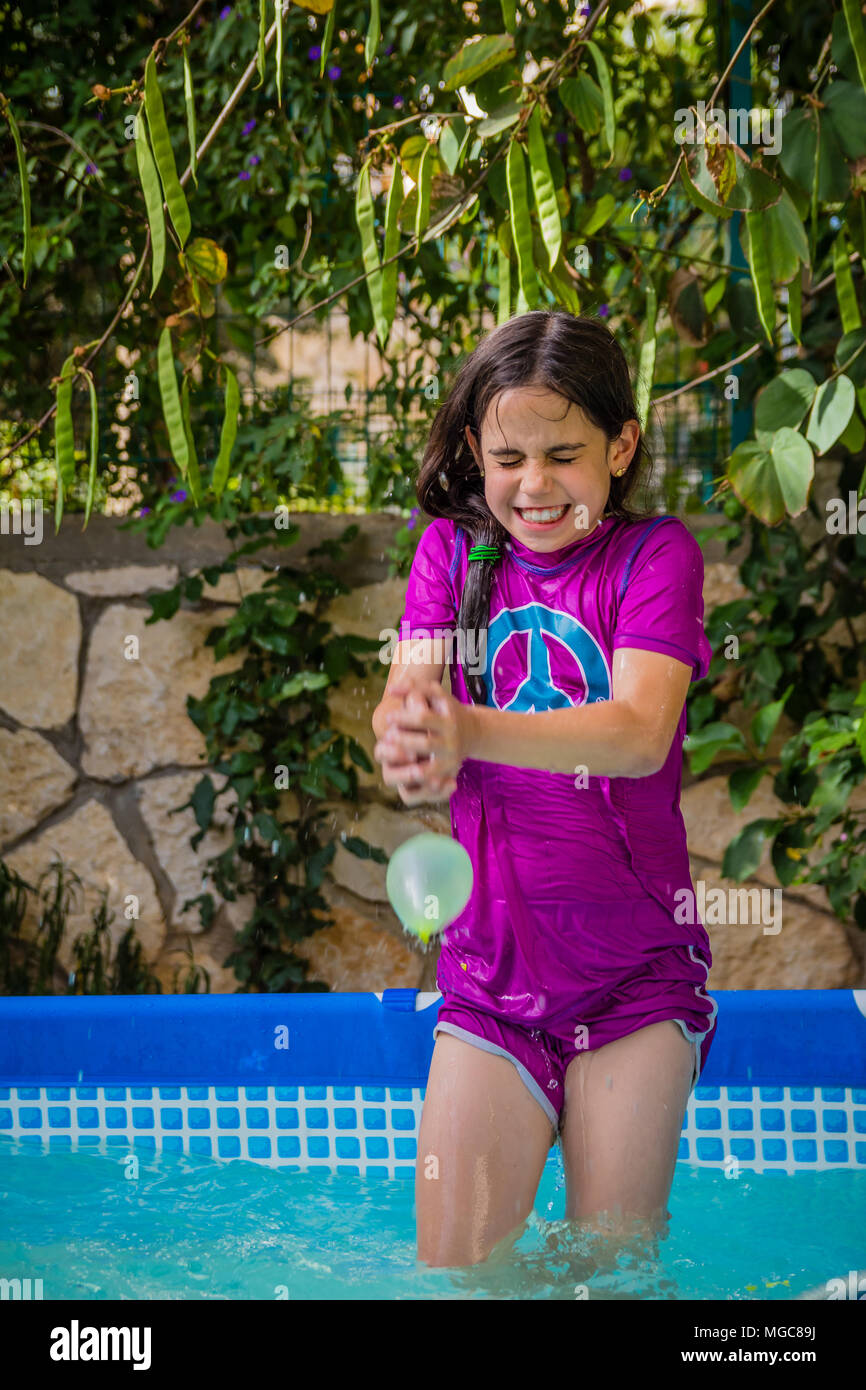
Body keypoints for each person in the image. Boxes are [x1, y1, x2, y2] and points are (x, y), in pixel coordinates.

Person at [371, 310, 717, 1271]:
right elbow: (413, 691)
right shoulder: (451, 552)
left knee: (609, 1274)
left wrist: (469, 729)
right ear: (476, 451)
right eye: (508, 456)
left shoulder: (655, 559)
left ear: (622, 445)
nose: (533, 485)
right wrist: (407, 741)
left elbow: (640, 733)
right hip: (491, 985)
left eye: (564, 454)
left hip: (632, 985)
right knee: (458, 1277)